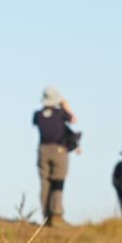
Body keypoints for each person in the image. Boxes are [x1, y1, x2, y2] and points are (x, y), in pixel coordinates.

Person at [32, 87, 78, 226]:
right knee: (58, 182)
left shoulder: (38, 114)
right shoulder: (60, 113)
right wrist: (65, 106)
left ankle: (46, 216)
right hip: (59, 150)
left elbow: (37, 123)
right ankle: (56, 215)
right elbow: (74, 120)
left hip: (42, 150)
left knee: (45, 183)